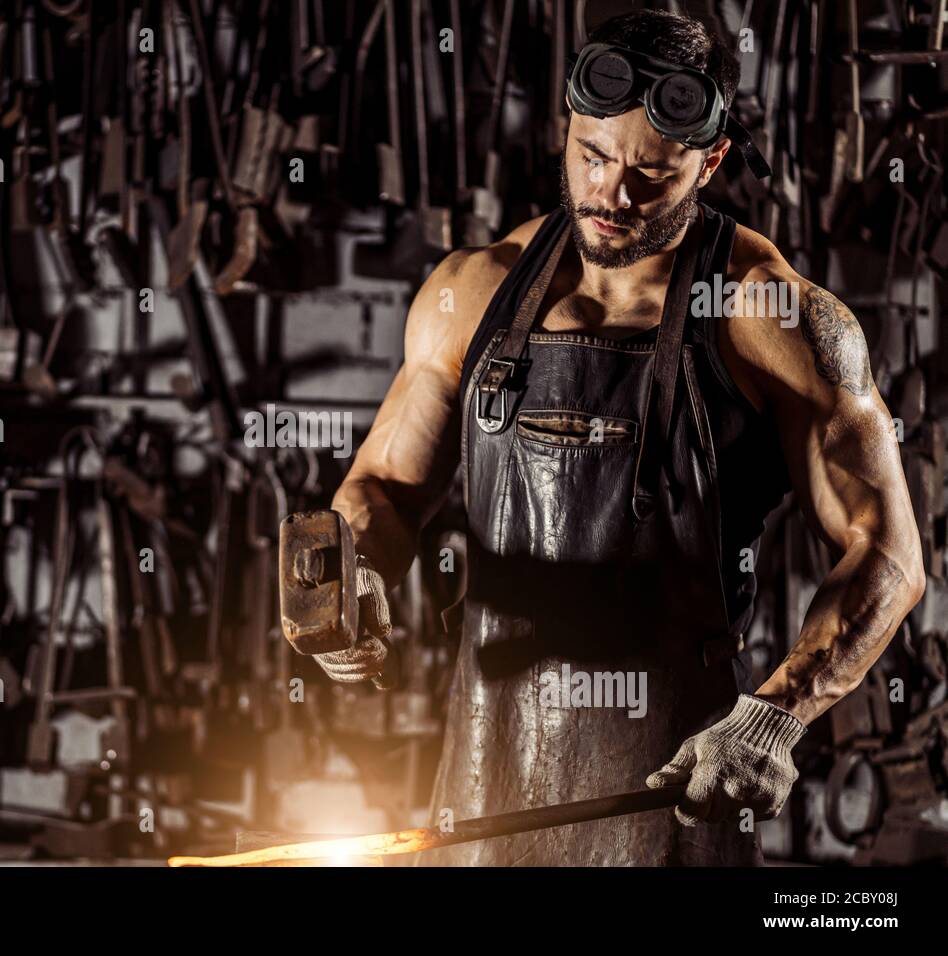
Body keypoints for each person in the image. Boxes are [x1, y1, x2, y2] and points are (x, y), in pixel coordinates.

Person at [314, 9, 924, 865]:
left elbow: (888, 555)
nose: (612, 195)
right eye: (592, 157)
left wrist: (776, 714)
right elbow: (383, 488)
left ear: (708, 162)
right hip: (484, 784)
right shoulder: (471, 293)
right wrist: (356, 577)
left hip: (676, 792)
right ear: (566, 133)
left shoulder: (769, 314)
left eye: (651, 174)